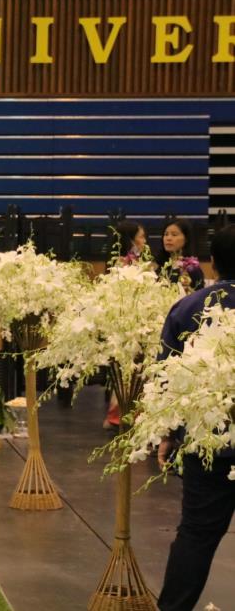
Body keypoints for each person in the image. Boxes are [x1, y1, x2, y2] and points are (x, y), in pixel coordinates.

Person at [156, 224, 235, 611]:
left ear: (213, 263)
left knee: (196, 535)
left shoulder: (188, 308)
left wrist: (168, 434)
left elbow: (167, 379)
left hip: (207, 441)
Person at [103, 219, 150, 429]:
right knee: (126, 369)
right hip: (124, 322)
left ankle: (129, 414)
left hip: (139, 321)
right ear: (130, 240)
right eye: (141, 236)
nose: (144, 241)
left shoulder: (140, 261)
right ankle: (120, 415)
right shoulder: (120, 264)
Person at [156, 218, 204, 293]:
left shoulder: (192, 267)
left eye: (174, 235)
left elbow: (200, 294)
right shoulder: (160, 265)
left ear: (186, 239)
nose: (168, 238)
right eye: (166, 234)